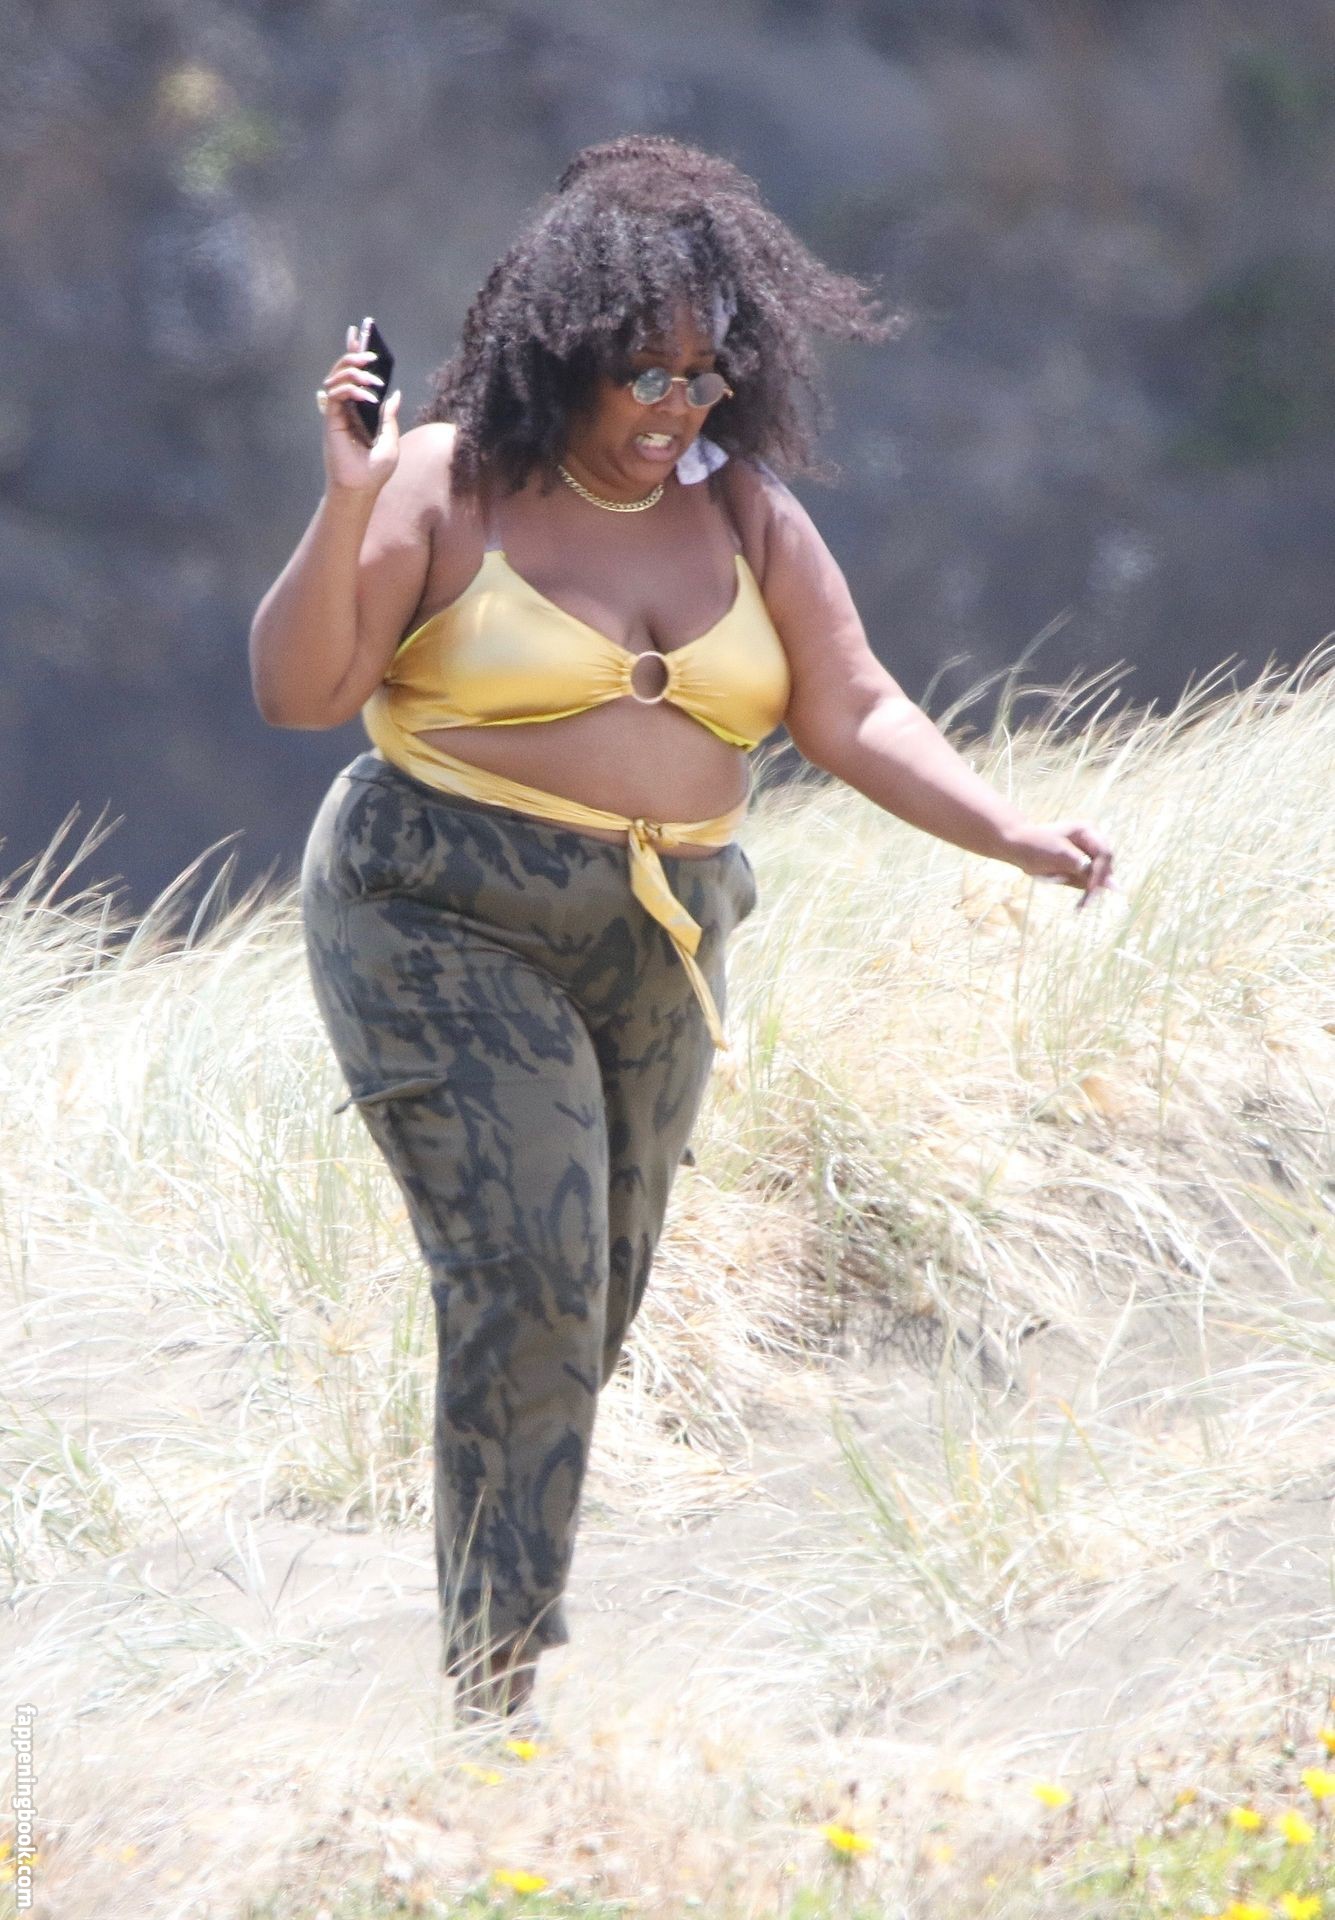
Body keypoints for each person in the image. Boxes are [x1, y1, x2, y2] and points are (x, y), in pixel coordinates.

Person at [248, 135, 1115, 1726]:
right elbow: (300, 692)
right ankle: (492, 1695)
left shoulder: (744, 512)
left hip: (662, 937)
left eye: (706, 375)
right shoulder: (445, 479)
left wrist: (1009, 831)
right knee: (528, 1269)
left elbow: (855, 705)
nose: (675, 406)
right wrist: (346, 495)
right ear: (564, 350)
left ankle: (491, 1625)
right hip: (437, 907)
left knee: (589, 1298)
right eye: (645, 373)